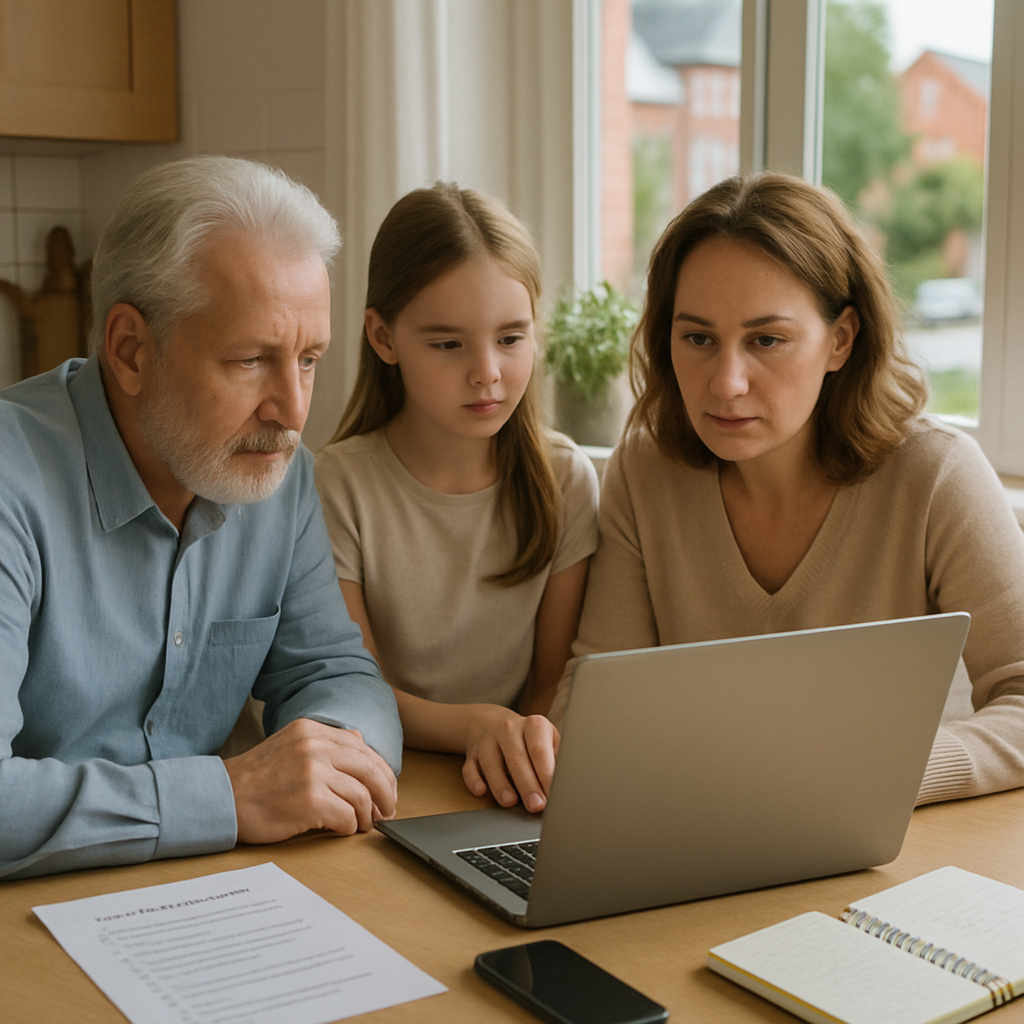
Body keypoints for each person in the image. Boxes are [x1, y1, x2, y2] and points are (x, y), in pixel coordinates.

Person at [551, 171, 1024, 805]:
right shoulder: (647, 471)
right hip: (705, 829)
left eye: (766, 340)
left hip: (894, 851)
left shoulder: (937, 475)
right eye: (697, 338)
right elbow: (596, 692)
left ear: (841, 340)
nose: (726, 383)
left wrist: (882, 770)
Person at [0, 156, 403, 881]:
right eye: (251, 360)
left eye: (308, 359)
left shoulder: (279, 473)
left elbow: (335, 670)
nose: (292, 410)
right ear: (129, 349)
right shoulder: (10, 482)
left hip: (208, 888)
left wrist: (335, 754)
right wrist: (229, 795)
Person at [314, 183, 599, 814]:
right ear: (384, 339)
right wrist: (476, 727)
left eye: (511, 338)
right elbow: (358, 687)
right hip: (384, 783)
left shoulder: (567, 480)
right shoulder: (339, 483)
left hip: (511, 787)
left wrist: (515, 754)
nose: (487, 372)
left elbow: (552, 680)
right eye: (448, 344)